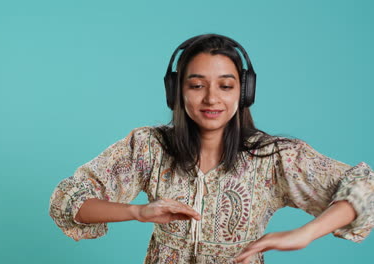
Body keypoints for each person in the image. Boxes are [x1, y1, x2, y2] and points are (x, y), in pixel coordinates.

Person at [48, 34, 374, 264]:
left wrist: (305, 233)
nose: (211, 99)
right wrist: (138, 212)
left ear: (244, 92)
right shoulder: (148, 147)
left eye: (226, 86)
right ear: (177, 91)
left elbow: (366, 189)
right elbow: (68, 201)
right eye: (197, 85)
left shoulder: (274, 157)